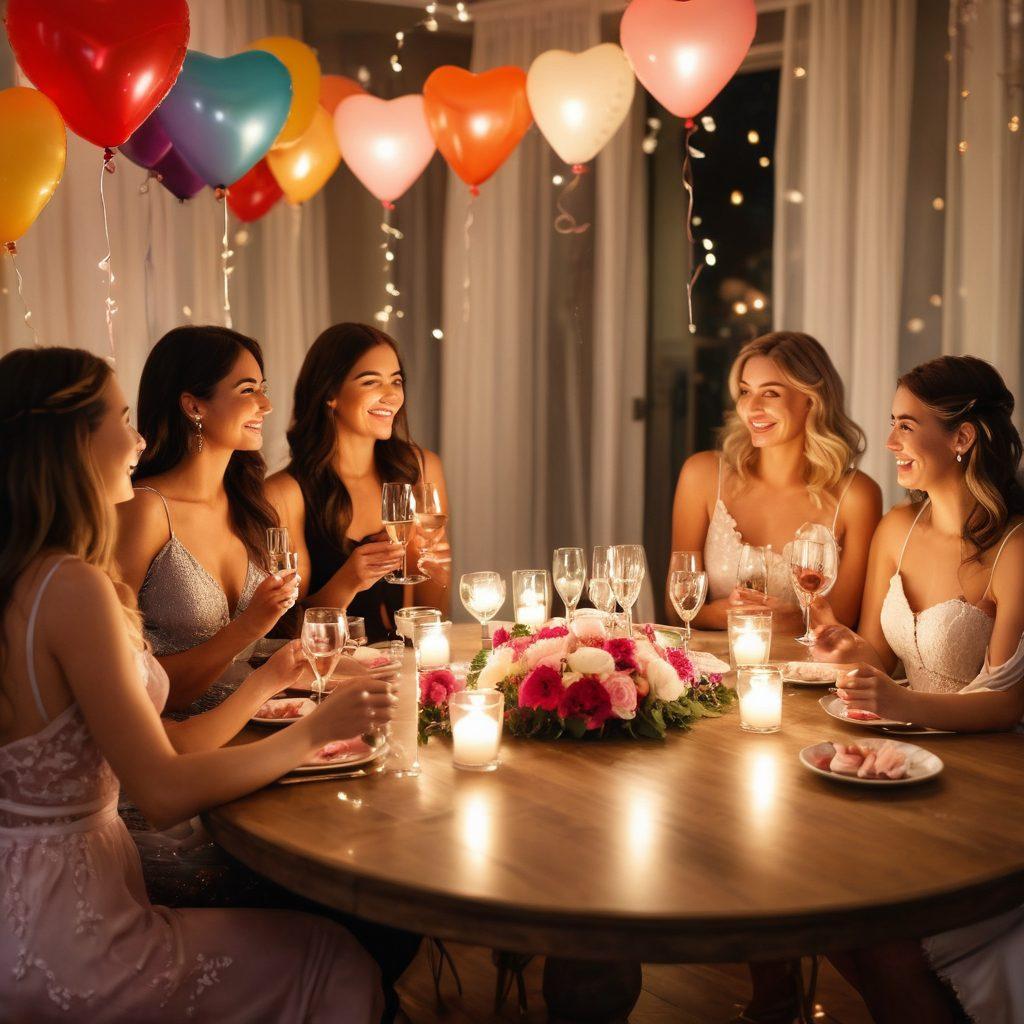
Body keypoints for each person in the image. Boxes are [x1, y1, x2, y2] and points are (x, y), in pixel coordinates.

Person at [0, 346, 391, 1022]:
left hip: (27, 908)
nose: (138, 439)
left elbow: (165, 746)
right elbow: (162, 794)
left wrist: (268, 679)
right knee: (336, 956)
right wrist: (313, 733)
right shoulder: (73, 586)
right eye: (121, 418)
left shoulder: (30, 576)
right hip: (76, 937)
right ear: (70, 441)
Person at [813, 355, 1024, 1023]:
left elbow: (1009, 702)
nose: (893, 441)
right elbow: (879, 650)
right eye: (893, 423)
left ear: (962, 438)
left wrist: (899, 703)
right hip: (905, 764)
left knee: (881, 941)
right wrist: (850, 650)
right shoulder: (896, 530)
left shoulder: (1014, 546)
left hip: (994, 781)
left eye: (908, 425)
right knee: (820, 903)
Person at [117, 326, 297, 715]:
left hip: (259, 726)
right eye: (248, 390)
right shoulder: (145, 510)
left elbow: (254, 658)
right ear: (194, 406)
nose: (265, 404)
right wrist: (248, 627)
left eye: (263, 388)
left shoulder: (250, 505)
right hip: (173, 746)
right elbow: (125, 685)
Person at [670, 331, 881, 632]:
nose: (751, 408)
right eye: (745, 391)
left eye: (770, 393)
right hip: (713, 672)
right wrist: (724, 614)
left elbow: (846, 622)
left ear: (811, 400)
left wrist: (787, 620)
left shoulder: (857, 496)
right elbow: (676, 609)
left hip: (810, 676)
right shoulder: (701, 475)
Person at [267, 323, 451, 642]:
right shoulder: (285, 493)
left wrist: (435, 571)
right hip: (327, 682)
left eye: (396, 381)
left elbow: (429, 620)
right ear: (330, 394)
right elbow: (284, 632)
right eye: (371, 381)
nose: (392, 395)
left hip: (399, 666)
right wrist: (349, 579)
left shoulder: (420, 469)